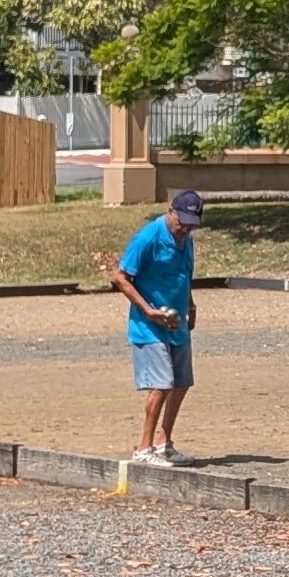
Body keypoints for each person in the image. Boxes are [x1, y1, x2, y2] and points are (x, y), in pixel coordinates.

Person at [109, 188, 203, 465]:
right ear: (170, 211)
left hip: (177, 321)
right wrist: (148, 311)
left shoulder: (187, 239)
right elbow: (121, 277)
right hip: (148, 325)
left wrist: (191, 305)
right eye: (182, 220)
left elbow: (184, 275)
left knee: (182, 382)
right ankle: (143, 449)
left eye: (191, 223)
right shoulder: (149, 237)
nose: (185, 227)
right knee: (161, 384)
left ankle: (164, 443)